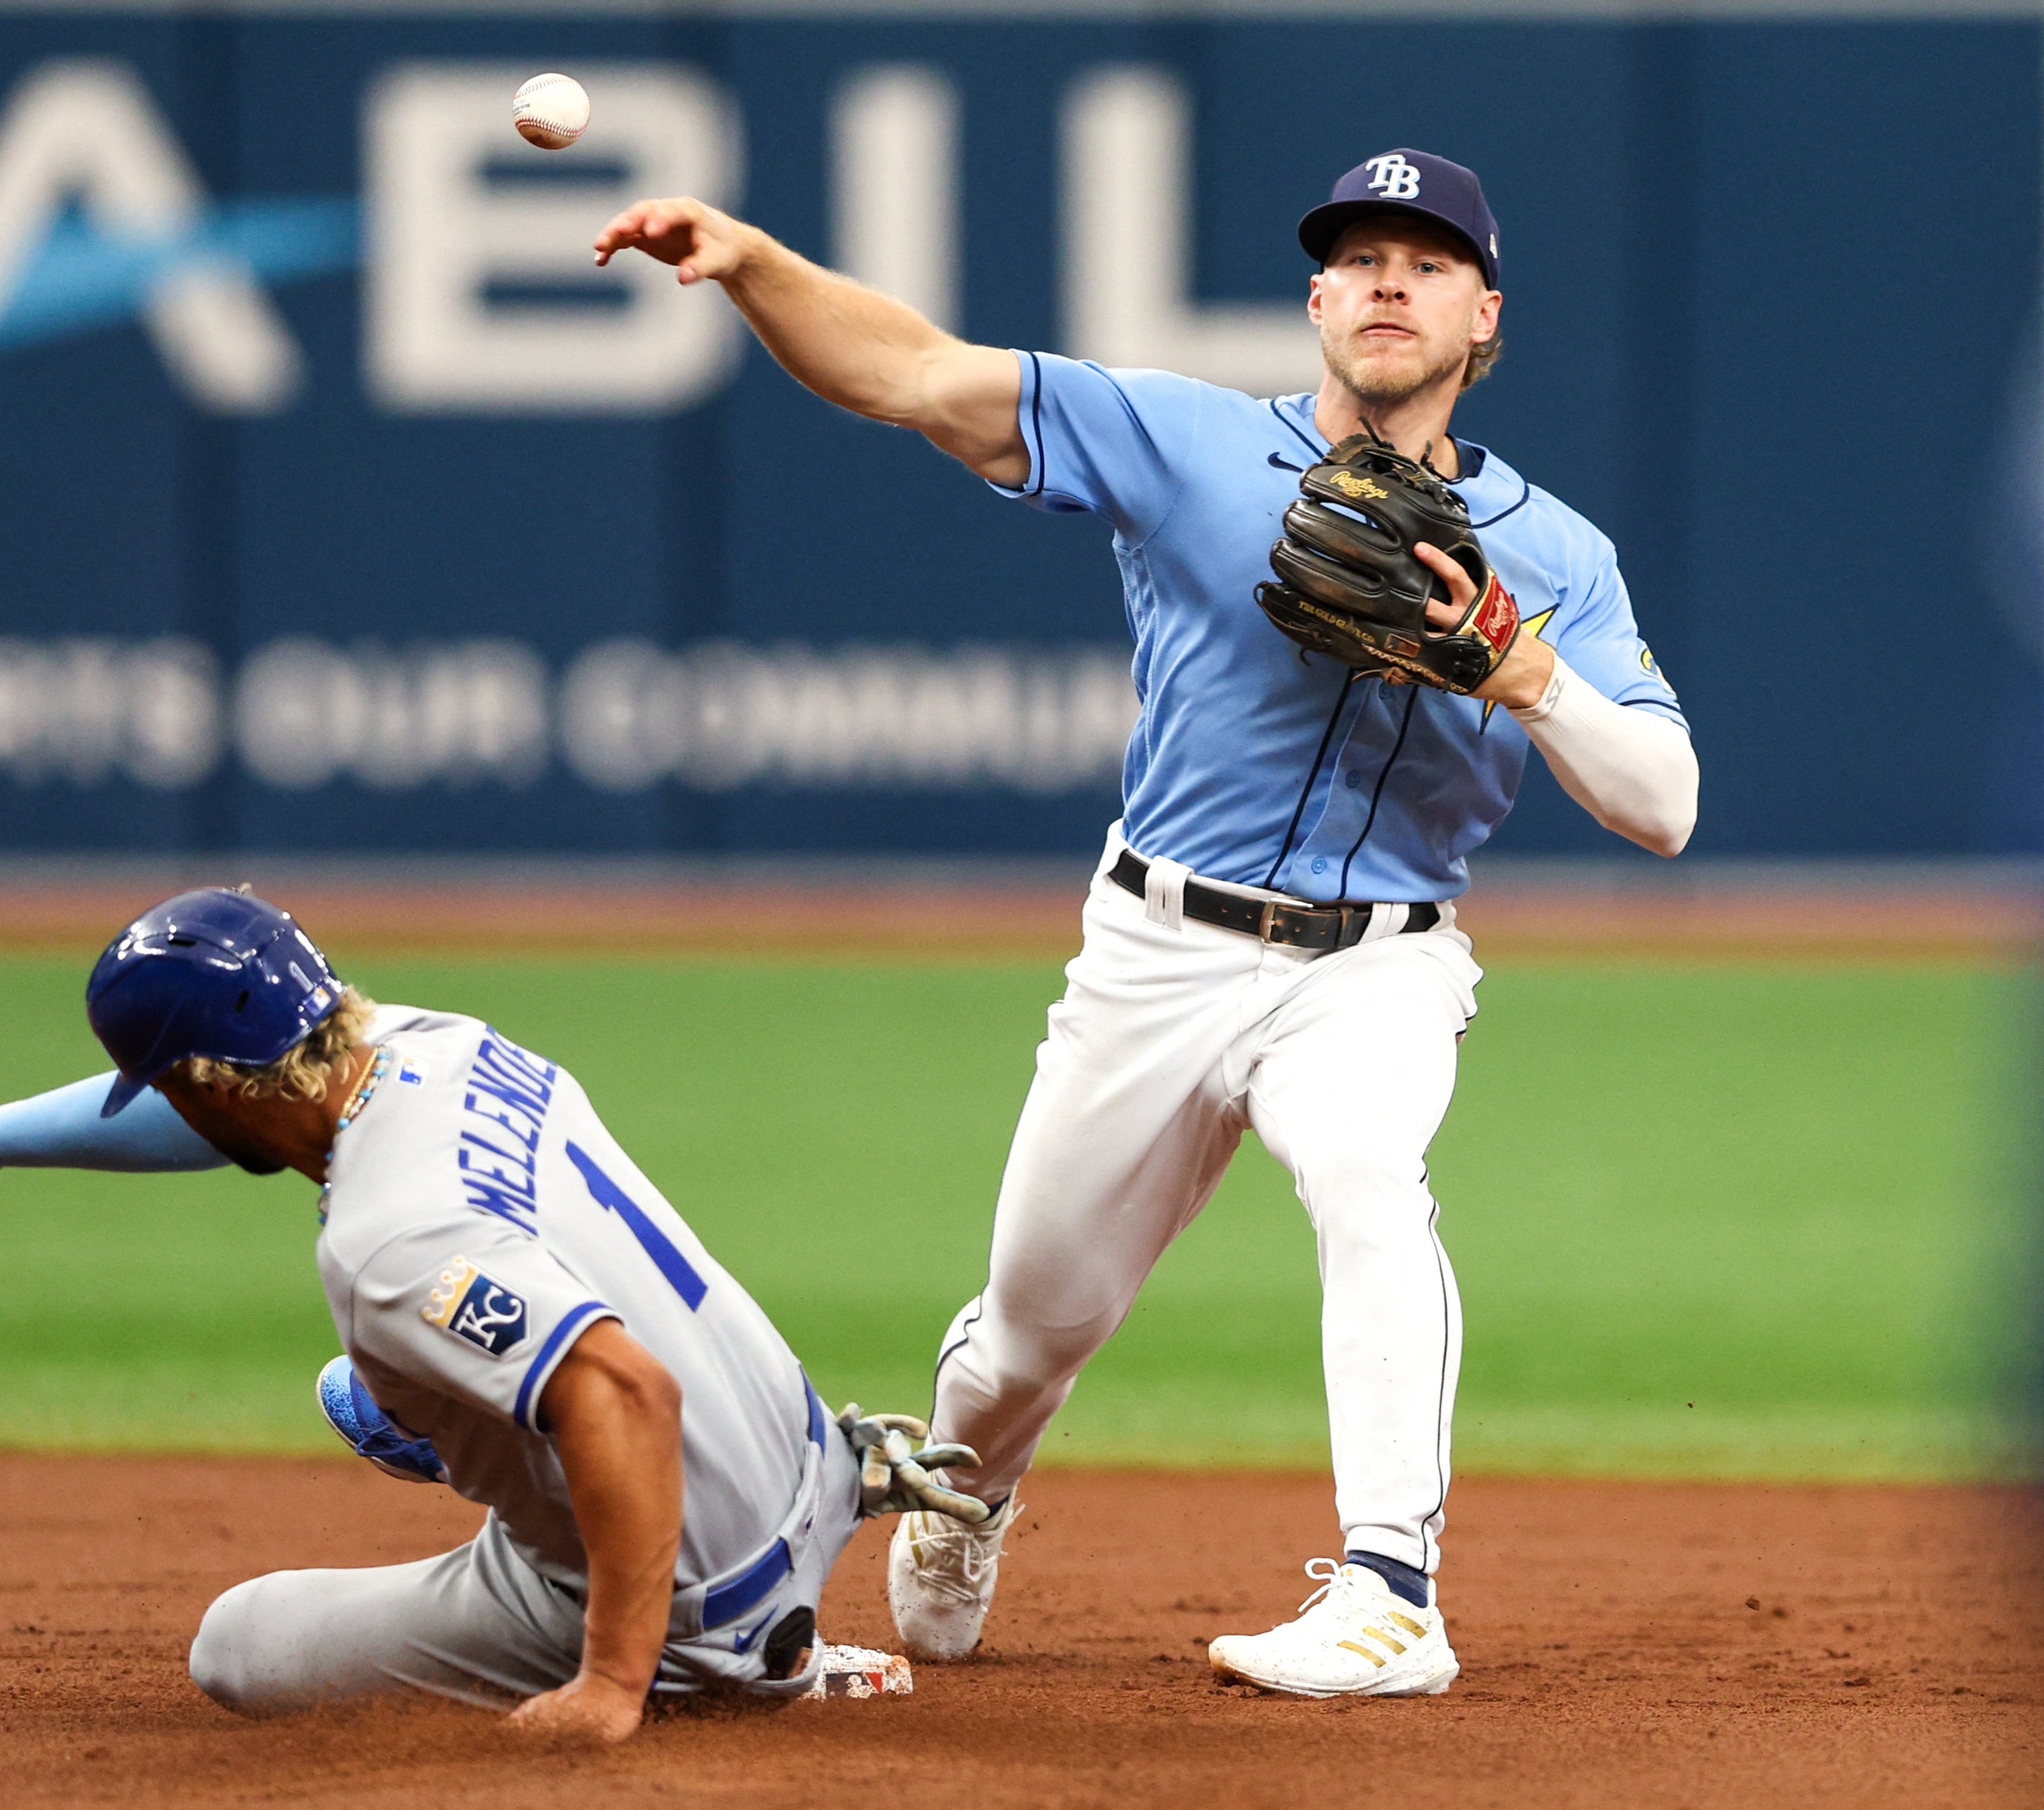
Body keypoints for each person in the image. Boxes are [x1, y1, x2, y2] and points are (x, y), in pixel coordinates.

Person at [594, 147, 1696, 1698]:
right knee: (1025, 1337)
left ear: (1482, 313)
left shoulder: (1556, 556)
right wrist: (754, 262)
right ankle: (966, 1482)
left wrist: (1529, 675)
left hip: (1377, 965)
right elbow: (914, 374)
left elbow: (1664, 805)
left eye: (1428, 261)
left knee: (1370, 1180)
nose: (1389, 281)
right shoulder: (1179, 442)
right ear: (1315, 297)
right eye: (1359, 257)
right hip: (1156, 953)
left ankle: (1391, 1590)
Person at [0, 887, 981, 1742]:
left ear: (206, 1086)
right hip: (798, 1450)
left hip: (704, 1593)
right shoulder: (433, 1042)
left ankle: (699, 1668)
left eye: (163, 1084)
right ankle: (797, 1510)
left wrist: (610, 1686)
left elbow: (626, 1393)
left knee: (238, 1644)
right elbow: (221, 1089)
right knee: (372, 1392)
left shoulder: (385, 1241)